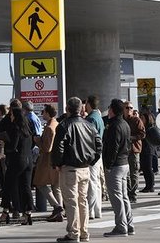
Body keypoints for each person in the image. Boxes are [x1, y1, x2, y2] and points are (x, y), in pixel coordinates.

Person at [51, 97, 102, 243]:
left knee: (71, 201)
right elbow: (99, 145)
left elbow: (58, 147)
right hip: (85, 168)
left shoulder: (64, 125)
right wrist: (91, 160)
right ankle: (84, 232)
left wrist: (57, 163)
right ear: (81, 109)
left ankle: (73, 233)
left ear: (67, 108)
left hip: (70, 168)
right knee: (82, 201)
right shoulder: (89, 125)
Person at [0, 105, 34, 225]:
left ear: (15, 116)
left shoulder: (16, 129)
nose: (10, 117)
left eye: (11, 115)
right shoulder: (27, 129)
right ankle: (28, 213)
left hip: (17, 161)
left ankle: (5, 212)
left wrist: (5, 142)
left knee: (7, 186)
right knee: (25, 186)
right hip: (28, 161)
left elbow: (12, 147)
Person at [102, 99, 133, 238]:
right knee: (124, 196)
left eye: (109, 108)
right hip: (125, 163)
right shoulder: (125, 124)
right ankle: (129, 223)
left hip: (116, 165)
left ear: (113, 110)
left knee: (116, 197)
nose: (108, 111)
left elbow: (112, 147)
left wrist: (108, 164)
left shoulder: (114, 125)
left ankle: (121, 227)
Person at [33, 104, 63, 222]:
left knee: (40, 183)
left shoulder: (50, 128)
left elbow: (47, 148)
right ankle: (59, 213)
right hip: (55, 161)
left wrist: (38, 141)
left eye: (43, 112)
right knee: (56, 186)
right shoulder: (56, 124)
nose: (42, 114)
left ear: (48, 113)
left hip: (47, 161)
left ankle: (57, 206)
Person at [84, 96, 104, 219]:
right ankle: (97, 210)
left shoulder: (90, 119)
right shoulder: (99, 118)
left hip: (91, 154)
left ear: (89, 104)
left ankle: (90, 210)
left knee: (91, 183)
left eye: (86, 103)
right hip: (98, 154)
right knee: (96, 183)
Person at [122, 101, 145, 203]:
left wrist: (132, 138)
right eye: (127, 108)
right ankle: (127, 192)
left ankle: (133, 194)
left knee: (134, 173)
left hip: (134, 149)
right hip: (124, 150)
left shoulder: (136, 120)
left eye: (131, 108)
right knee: (125, 173)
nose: (129, 110)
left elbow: (142, 134)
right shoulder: (122, 120)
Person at [137, 107, 156, 193]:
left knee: (148, 168)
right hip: (144, 149)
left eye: (143, 118)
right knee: (145, 168)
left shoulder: (149, 129)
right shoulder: (143, 128)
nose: (141, 120)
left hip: (148, 150)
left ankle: (150, 185)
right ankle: (148, 185)